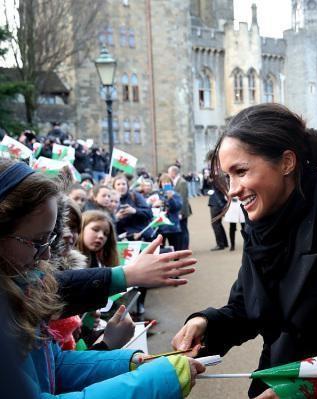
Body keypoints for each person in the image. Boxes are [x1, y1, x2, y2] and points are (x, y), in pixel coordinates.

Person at [171, 103, 317, 399]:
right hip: (268, 384)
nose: (232, 190)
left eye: (241, 171)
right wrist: (206, 323)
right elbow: (247, 307)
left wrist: (302, 391)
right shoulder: (261, 228)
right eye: (227, 177)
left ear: (286, 162)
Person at [0, 159, 204, 398]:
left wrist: (131, 363)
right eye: (36, 241)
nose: (45, 253)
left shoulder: (19, 286)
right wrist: (158, 381)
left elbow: (54, 366)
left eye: (50, 239)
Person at [113, 174, 153, 241]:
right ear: (114, 187)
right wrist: (116, 217)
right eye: (118, 184)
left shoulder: (135, 196)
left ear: (127, 186)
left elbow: (149, 213)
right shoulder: (110, 199)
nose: (121, 187)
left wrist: (135, 211)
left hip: (140, 234)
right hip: (122, 237)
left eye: (123, 184)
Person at [168, 165, 191, 250]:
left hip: (182, 211)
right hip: (180, 210)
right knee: (182, 230)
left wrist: (180, 212)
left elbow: (183, 199)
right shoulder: (176, 181)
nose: (168, 174)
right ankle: (183, 246)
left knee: (184, 230)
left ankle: (185, 247)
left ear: (174, 173)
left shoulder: (182, 182)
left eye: (169, 172)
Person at [207, 179, 229, 251]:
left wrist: (212, 180)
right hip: (218, 202)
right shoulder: (219, 177)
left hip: (216, 204)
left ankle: (220, 244)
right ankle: (224, 242)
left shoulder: (218, 178)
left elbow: (217, 190)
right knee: (218, 224)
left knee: (215, 224)